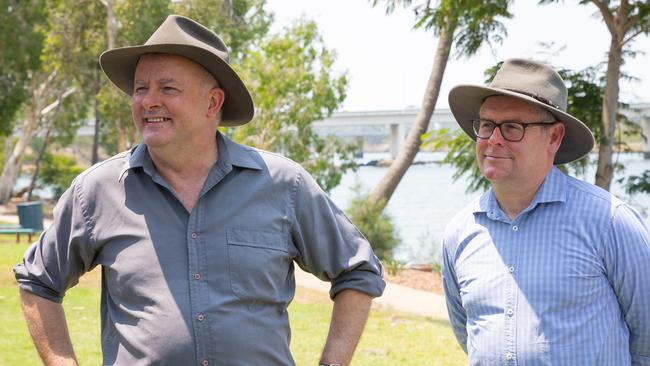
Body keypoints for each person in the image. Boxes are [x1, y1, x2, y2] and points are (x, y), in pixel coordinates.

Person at [14, 15, 384, 366]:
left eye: (167, 88)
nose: (148, 100)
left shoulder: (283, 184)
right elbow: (37, 281)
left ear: (213, 102)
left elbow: (358, 271)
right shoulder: (98, 190)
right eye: (141, 89)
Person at [442, 58, 650, 365]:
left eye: (512, 127)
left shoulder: (610, 222)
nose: (494, 139)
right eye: (487, 125)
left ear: (553, 137)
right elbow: (468, 334)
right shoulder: (460, 232)